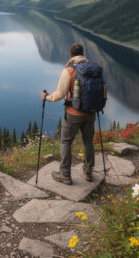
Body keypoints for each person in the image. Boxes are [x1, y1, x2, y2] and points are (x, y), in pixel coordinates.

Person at [41, 43, 95, 185]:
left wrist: (46, 97)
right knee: (88, 141)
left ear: (70, 55)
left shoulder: (69, 70)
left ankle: (65, 174)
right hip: (90, 112)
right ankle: (88, 172)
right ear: (83, 54)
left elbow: (60, 94)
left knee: (66, 142)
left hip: (73, 113)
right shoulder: (93, 69)